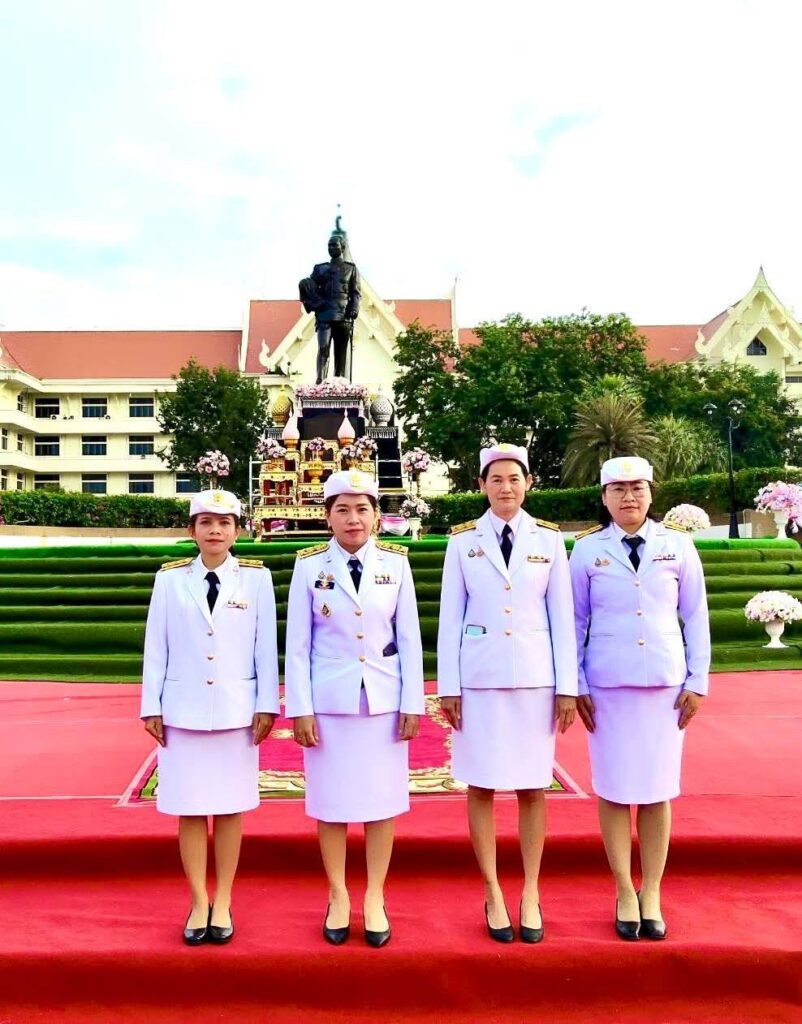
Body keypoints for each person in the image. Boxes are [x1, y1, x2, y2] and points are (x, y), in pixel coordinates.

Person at [437, 443, 577, 944]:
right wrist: (448, 687)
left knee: (533, 787)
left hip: (536, 679)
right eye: (495, 479)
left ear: (529, 483)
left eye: (514, 478)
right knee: (481, 785)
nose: (505, 487)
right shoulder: (462, 541)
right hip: (479, 680)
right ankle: (493, 889)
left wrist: (567, 688)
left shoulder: (549, 539)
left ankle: (531, 890)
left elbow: (562, 617)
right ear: (481, 486)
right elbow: (450, 617)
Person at [569, 456, 710, 941]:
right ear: (604, 497)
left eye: (638, 488)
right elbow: (574, 622)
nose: (629, 497)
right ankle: (624, 890)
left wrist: (698, 680)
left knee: (656, 790)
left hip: (664, 687)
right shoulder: (587, 550)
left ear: (651, 493)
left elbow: (696, 615)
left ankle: (652, 890)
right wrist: (577, 684)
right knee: (613, 789)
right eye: (619, 489)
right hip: (607, 686)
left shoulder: (678, 545)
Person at [284, 469, 424, 948]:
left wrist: (412, 702)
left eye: (362, 509)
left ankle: (376, 896)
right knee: (331, 802)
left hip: (383, 701)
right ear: (327, 517)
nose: (353, 518)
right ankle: (338, 893)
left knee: (382, 802)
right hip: (329, 702)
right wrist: (301, 708)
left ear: (377, 516)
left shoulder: (396, 565)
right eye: (342, 509)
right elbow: (297, 646)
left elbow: (409, 639)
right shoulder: (309, 567)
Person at [140, 489, 279, 946]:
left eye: (224, 523)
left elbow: (265, 647)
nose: (215, 531)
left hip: (237, 711)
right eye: (206, 523)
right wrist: (151, 704)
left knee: (231, 807)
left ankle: (224, 900)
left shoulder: (256, 579)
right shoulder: (170, 580)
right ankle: (199, 899)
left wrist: (266, 703)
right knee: (190, 809)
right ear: (192, 530)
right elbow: (156, 645)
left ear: (238, 530)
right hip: (182, 711)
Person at [299, 224, 361, 383]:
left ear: (342, 247)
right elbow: (310, 286)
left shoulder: (351, 269)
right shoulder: (320, 269)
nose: (331, 248)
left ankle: (339, 382)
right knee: (323, 348)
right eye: (329, 245)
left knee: (340, 353)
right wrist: (307, 291)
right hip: (325, 314)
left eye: (334, 245)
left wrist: (354, 309)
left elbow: (355, 293)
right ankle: (320, 380)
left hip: (343, 315)